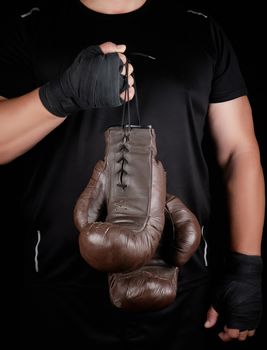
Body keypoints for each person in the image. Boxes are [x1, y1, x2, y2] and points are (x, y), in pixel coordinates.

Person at [0, 0, 265, 349]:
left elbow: (238, 152)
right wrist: (60, 96)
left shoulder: (198, 28)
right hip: (59, 287)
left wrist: (246, 268)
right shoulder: (31, 25)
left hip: (180, 288)